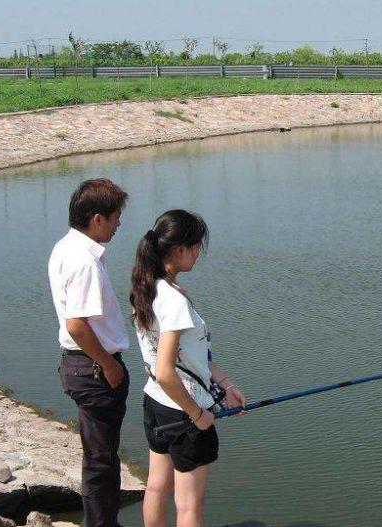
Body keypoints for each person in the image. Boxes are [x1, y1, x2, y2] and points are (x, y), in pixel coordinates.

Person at [129, 209, 246, 527]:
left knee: (155, 486)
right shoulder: (175, 301)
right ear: (178, 249)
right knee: (189, 506)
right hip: (184, 412)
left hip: (155, 404)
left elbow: (186, 357)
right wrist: (197, 414)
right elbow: (168, 370)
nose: (198, 253)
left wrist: (225, 383)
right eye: (195, 246)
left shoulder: (146, 287)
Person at [48, 178, 130, 527]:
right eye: (115, 218)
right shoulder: (84, 261)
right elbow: (77, 325)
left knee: (99, 456)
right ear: (97, 219)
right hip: (93, 370)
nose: (118, 224)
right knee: (102, 461)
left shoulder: (65, 247)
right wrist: (109, 365)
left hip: (82, 367)